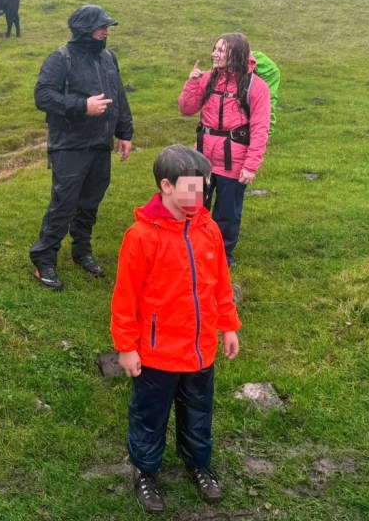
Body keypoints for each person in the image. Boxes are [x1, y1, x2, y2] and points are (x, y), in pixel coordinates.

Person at [111, 145, 241, 513]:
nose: (197, 197)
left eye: (203, 188)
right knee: (149, 415)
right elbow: (125, 298)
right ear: (165, 186)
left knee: (199, 411)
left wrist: (228, 325)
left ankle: (198, 464)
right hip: (156, 355)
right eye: (189, 188)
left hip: (200, 351)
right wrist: (126, 346)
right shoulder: (140, 237)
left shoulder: (209, 228)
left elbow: (221, 284)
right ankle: (145, 472)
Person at [29, 4, 134, 290]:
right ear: (83, 29)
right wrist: (81, 106)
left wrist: (125, 132)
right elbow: (42, 96)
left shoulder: (108, 58)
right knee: (64, 203)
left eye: (107, 27)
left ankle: (81, 252)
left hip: (101, 143)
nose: (105, 31)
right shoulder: (61, 58)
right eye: (101, 27)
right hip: (70, 145)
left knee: (89, 203)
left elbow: (118, 95)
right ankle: (44, 259)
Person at [179, 32, 271, 266]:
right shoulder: (208, 78)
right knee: (192, 207)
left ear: (236, 54)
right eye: (215, 48)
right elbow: (187, 109)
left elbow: (260, 129)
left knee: (227, 214)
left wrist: (251, 166)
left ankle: (221, 256)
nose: (214, 54)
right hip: (200, 159)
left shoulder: (256, 87)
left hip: (234, 163)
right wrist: (192, 82)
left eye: (220, 50)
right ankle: (190, 250)